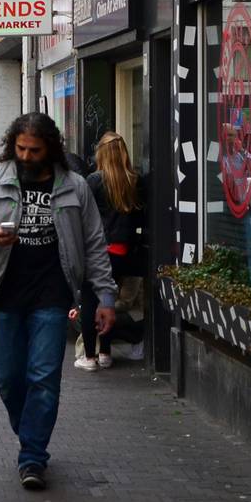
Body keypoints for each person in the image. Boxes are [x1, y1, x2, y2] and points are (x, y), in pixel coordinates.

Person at [0, 112, 116, 491]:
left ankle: (32, 456)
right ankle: (30, 434)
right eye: (20, 149)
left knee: (43, 377)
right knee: (8, 378)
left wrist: (106, 296)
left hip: (52, 295)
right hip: (4, 293)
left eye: (34, 150)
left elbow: (94, 243)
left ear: (51, 149)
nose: (26, 157)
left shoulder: (75, 187)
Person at [81, 132, 146, 371]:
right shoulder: (135, 180)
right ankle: (106, 353)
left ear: (101, 153)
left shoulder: (94, 181)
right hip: (123, 253)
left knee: (90, 302)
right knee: (110, 302)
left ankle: (90, 356)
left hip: (99, 251)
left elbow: (85, 217)